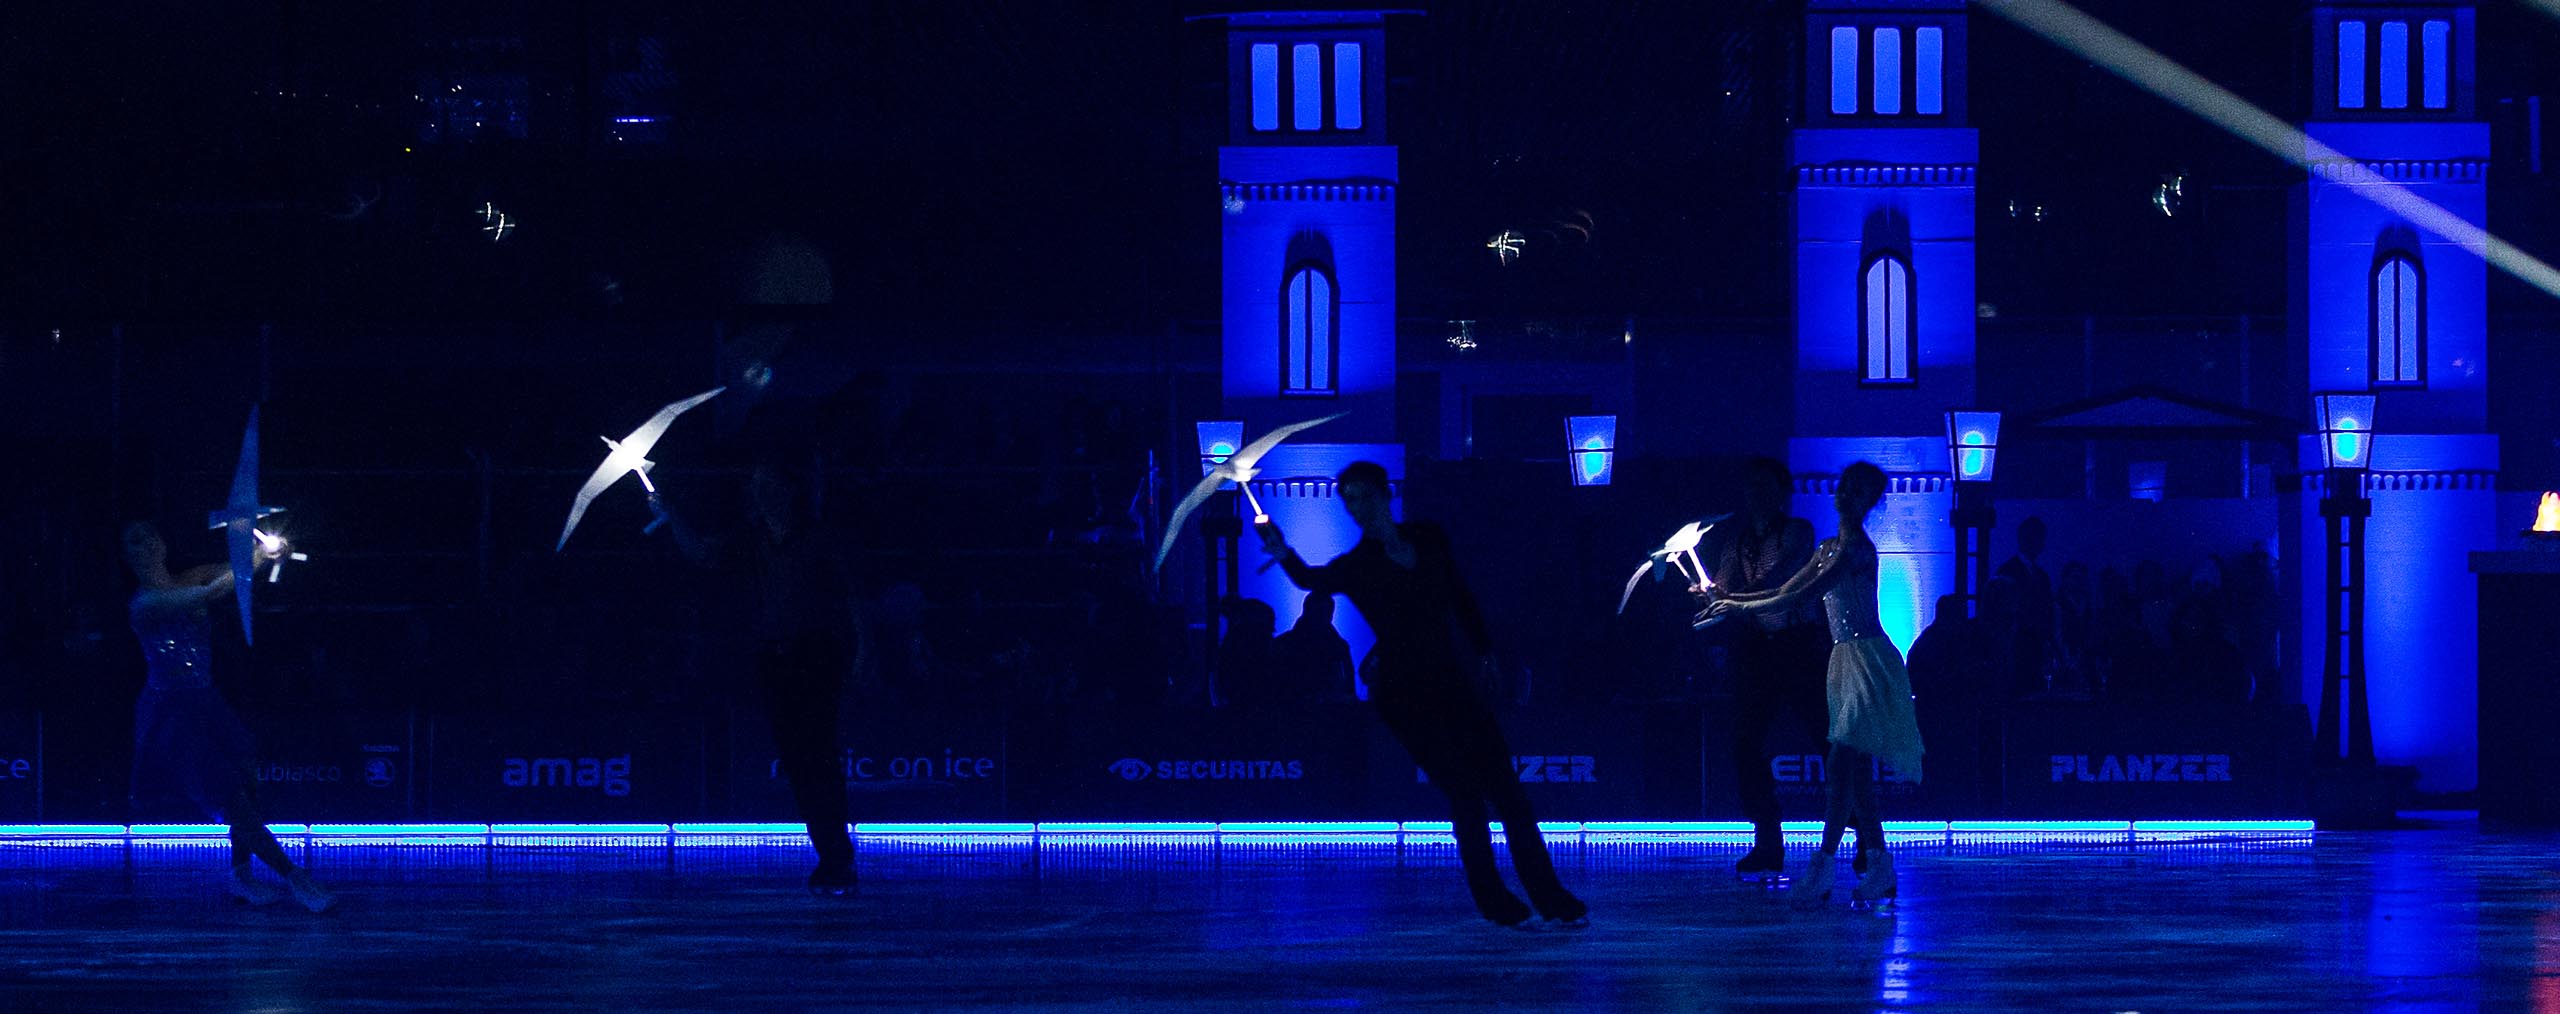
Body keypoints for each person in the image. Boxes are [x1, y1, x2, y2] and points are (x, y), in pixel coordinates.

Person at [1256, 462, 1587, 927]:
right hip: (1403, 693)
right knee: (1466, 794)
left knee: (1510, 795)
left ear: (1385, 493)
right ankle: (1497, 904)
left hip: (1451, 682)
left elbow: (1459, 594)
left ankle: (1552, 899)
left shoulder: (1429, 538)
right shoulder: (1356, 565)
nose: (1357, 507)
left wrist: (1486, 652)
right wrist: (1283, 550)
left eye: (1363, 495)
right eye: (1349, 499)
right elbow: (1312, 581)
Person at [1703, 462, 1923, 909]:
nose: (1847, 495)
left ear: (1869, 501)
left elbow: (1796, 597)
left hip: (1867, 658)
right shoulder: (1828, 547)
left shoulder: (1853, 549)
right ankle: (1879, 865)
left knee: (1843, 765)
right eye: (1846, 486)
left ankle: (1823, 868)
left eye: (1859, 491)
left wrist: (1737, 607)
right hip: (1844, 659)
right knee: (1854, 772)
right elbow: (1784, 587)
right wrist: (1726, 599)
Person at [655, 463, 859, 895]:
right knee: (802, 762)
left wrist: (861, 654)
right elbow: (704, 554)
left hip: (817, 654)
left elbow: (850, 596)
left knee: (818, 757)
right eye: (756, 483)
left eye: (770, 482)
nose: (760, 490)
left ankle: (837, 858)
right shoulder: (751, 539)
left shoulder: (816, 538)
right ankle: (832, 858)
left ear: (790, 489)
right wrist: (670, 513)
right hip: (776, 658)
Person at [121, 521, 335, 912]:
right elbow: (214, 590)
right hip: (172, 711)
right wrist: (260, 556)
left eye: (152, 534)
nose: (147, 542)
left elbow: (228, 570)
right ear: (127, 555)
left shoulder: (191, 574)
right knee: (230, 797)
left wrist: (271, 547)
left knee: (246, 780)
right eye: (136, 540)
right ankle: (296, 877)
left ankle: (240, 874)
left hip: (207, 699)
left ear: (164, 542)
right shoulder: (144, 602)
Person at [1697, 456, 1828, 881]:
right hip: (1755, 649)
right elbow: (1726, 583)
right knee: (1745, 742)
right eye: (1751, 485)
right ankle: (1767, 840)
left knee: (1830, 740)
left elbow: (1785, 577)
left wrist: (1733, 597)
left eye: (1765, 485)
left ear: (1782, 491)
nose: (1756, 493)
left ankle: (1866, 835)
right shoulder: (1736, 541)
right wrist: (1711, 592)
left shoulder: (1798, 532)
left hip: (1798, 645)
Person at [1271, 592, 1357, 704]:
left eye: (1324, 613)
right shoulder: (1339, 647)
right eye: (1319, 612)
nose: (1321, 617)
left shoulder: (1283, 643)